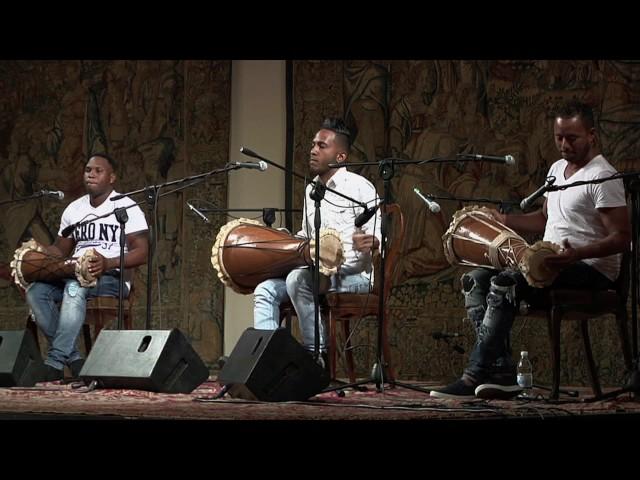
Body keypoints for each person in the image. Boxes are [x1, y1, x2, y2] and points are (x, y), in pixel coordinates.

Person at [430, 100, 631, 400]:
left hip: (591, 270)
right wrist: (505, 220)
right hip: (554, 262)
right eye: (558, 137)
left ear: (591, 135)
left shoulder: (604, 177)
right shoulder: (557, 169)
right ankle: (501, 371)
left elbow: (621, 238)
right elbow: (545, 218)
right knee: (475, 280)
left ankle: (475, 374)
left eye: (572, 137)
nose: (564, 144)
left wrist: (575, 255)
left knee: (506, 283)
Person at [253, 118, 381, 370]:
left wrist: (374, 242)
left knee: (297, 280)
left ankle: (315, 358)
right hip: (315, 274)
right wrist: (284, 242)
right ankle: (266, 361)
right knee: (265, 289)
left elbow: (379, 235)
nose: (313, 150)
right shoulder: (312, 189)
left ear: (341, 156)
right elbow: (307, 236)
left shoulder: (358, 187)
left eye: (322, 146)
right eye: (313, 145)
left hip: (355, 276)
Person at [26, 153, 149, 381]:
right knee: (36, 291)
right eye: (88, 170)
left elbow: (142, 251)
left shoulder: (126, 206)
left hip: (112, 276)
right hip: (75, 271)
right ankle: (74, 360)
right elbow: (61, 250)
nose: (91, 174)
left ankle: (54, 363)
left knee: (75, 287)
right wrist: (38, 251)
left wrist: (108, 262)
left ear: (111, 177)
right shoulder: (74, 209)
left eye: (98, 171)